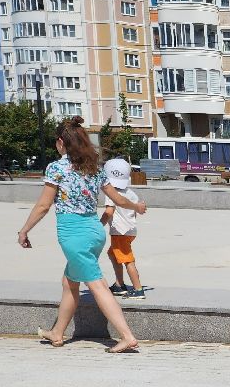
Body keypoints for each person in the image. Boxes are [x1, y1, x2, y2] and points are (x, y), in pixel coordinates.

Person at [16, 117, 146, 353]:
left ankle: (127, 336)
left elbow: (43, 206)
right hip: (95, 232)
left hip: (73, 236)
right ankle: (57, 332)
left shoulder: (57, 168)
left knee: (97, 285)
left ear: (60, 143)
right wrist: (137, 207)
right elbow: (117, 199)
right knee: (69, 282)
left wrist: (24, 230)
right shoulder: (94, 168)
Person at [101, 157, 145, 299]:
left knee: (127, 260)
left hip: (119, 233)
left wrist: (98, 225)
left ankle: (138, 289)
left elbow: (109, 212)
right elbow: (134, 212)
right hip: (130, 231)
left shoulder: (111, 193)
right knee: (113, 254)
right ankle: (119, 285)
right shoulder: (131, 193)